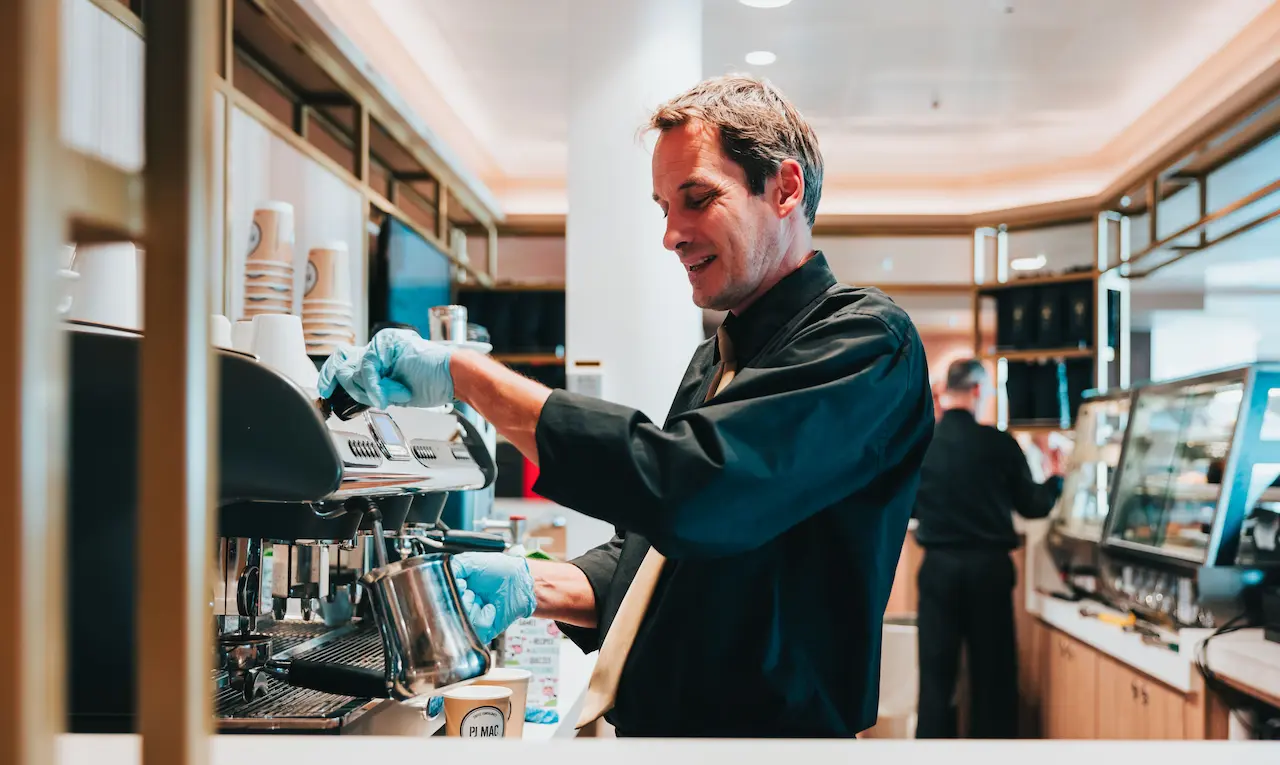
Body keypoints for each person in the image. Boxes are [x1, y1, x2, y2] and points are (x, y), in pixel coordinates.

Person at [319, 75, 935, 738]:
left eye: (697, 199)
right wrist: (537, 586)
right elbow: (661, 550)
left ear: (785, 188)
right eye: (664, 207)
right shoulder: (716, 357)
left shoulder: (866, 339)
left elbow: (694, 489)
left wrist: (471, 378)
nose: (671, 234)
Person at [911, 359, 1064, 739]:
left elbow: (908, 505)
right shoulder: (999, 443)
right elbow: (1034, 505)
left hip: (938, 570)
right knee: (993, 679)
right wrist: (1056, 478)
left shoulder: (922, 442)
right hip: (989, 572)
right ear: (979, 391)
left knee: (936, 680)